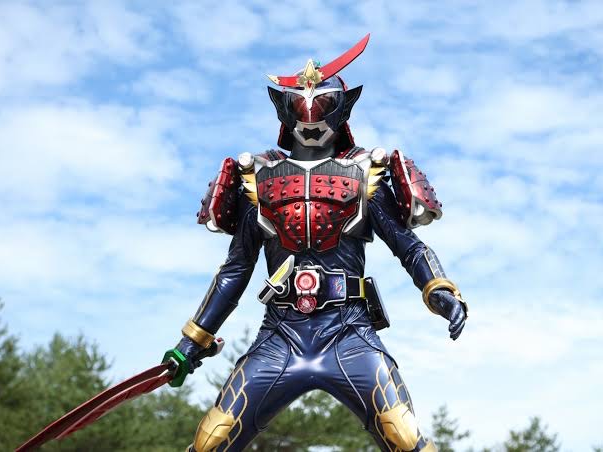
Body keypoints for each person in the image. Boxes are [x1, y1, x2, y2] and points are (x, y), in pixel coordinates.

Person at [168, 34, 468, 452]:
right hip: (280, 335)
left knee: (405, 438)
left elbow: (409, 246)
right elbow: (236, 269)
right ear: (284, 110)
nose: (310, 118)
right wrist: (192, 341)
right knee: (210, 441)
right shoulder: (257, 178)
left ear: (342, 109)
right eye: (299, 107)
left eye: (323, 105)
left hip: (349, 333)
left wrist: (439, 289)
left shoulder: (366, 173)